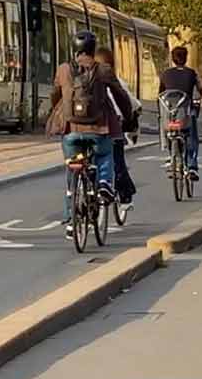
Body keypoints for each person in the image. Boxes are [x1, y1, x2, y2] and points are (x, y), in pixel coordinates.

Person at [45, 30, 117, 236]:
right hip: (98, 129)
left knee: (72, 167)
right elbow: (120, 95)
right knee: (104, 154)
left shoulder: (63, 69)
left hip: (71, 130)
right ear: (93, 50)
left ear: (74, 48)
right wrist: (128, 118)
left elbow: (54, 94)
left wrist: (57, 109)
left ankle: (71, 220)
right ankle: (103, 183)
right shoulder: (103, 70)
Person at [97, 46, 137, 211]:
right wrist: (130, 117)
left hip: (90, 128)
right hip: (114, 128)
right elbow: (131, 103)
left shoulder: (84, 78)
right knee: (118, 162)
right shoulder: (118, 81)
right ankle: (126, 196)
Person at [157, 45, 202, 180]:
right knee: (192, 136)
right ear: (186, 58)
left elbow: (160, 94)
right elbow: (201, 88)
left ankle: (170, 156)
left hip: (170, 116)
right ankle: (192, 166)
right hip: (185, 115)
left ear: (173, 59)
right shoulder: (191, 73)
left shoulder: (165, 74)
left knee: (165, 124)